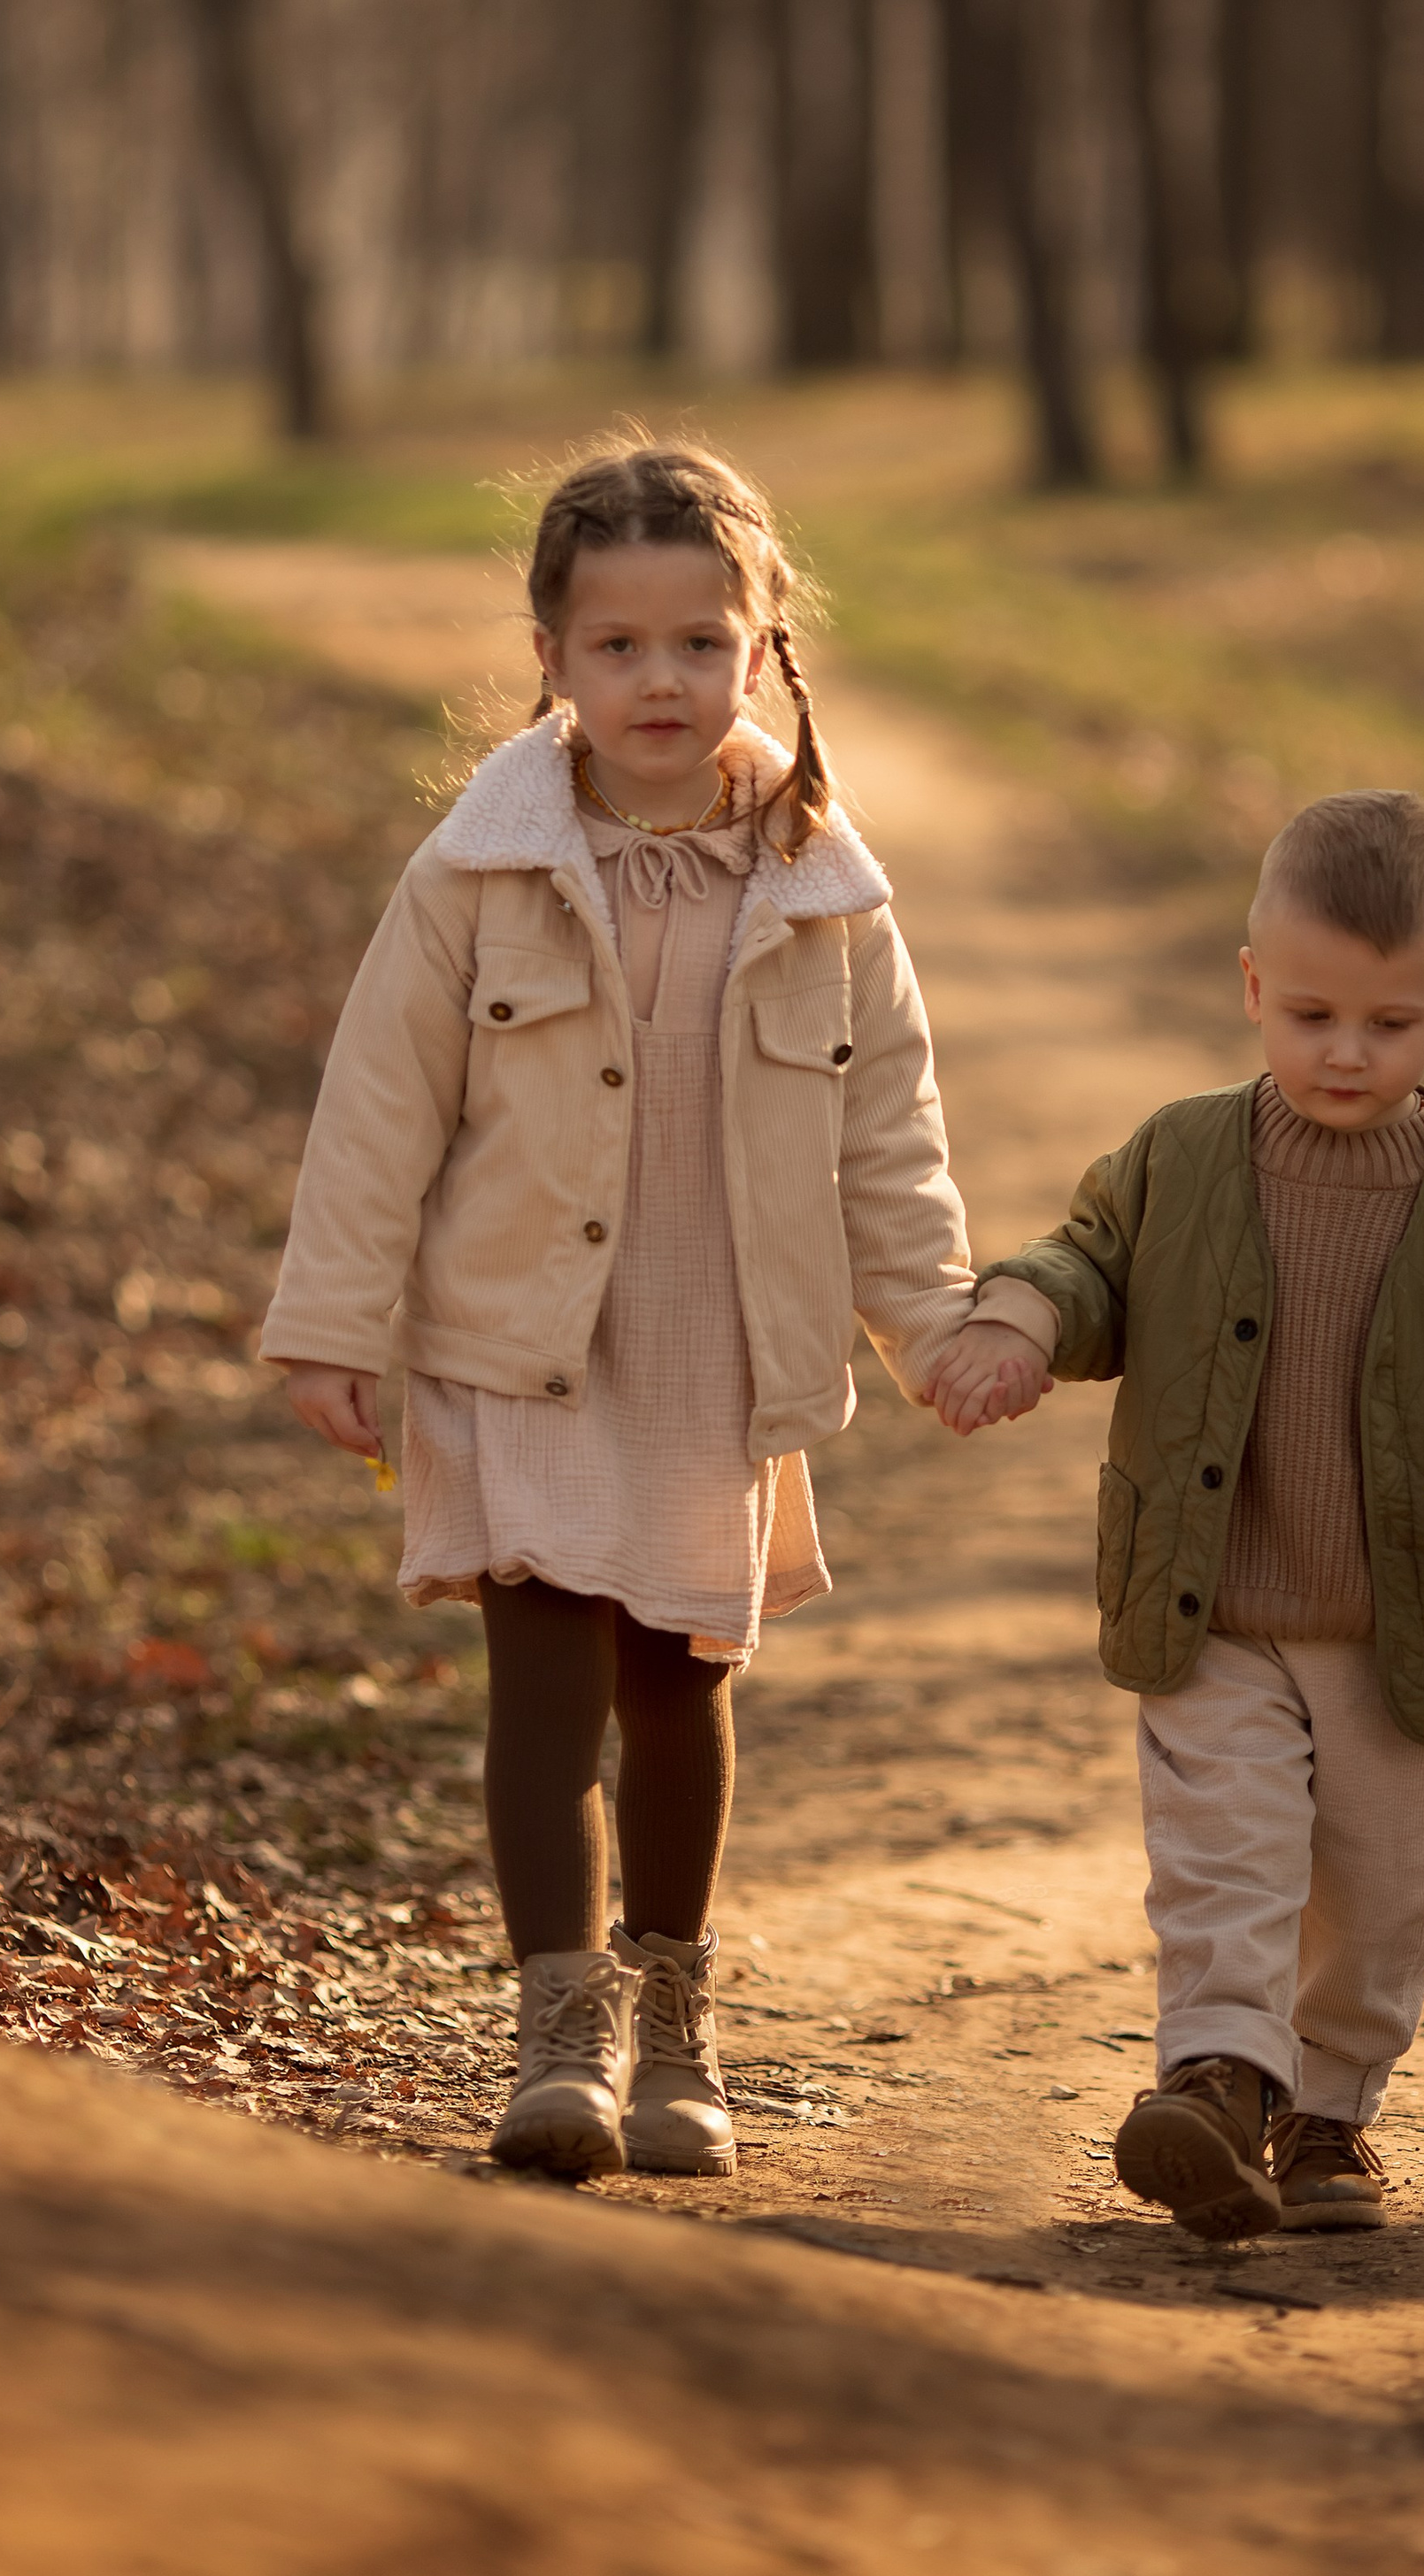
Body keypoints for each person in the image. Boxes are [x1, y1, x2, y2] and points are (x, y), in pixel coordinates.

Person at [262, 441, 977, 2184]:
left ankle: (675, 2019)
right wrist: (330, 1319)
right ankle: (556, 2029)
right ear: (551, 659)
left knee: (675, 1679)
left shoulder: (822, 885)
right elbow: (380, 1105)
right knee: (540, 1680)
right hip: (520, 1331)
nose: (658, 680)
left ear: (762, 645)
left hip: (709, 1341)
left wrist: (934, 1322)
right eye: (616, 648)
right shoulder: (475, 871)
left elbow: (889, 1132)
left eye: (696, 643)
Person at [929, 788, 1424, 2236]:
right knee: (1226, 1857)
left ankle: (1329, 2117)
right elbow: (1088, 1262)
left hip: (1401, 1627)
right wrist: (1017, 1324)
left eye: (1388, 1023)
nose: (1345, 1052)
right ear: (1252, 987)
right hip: (1217, 1607)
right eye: (1309, 1016)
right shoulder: (1181, 1156)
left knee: (1386, 1897)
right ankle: (1216, 2084)